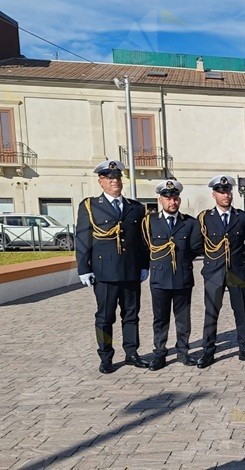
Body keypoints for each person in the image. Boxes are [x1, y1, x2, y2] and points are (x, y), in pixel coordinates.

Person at [75, 160, 149, 374]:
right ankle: (106, 356)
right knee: (105, 317)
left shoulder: (135, 208)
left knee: (131, 315)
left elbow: (141, 241)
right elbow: (82, 239)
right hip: (104, 273)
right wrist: (83, 268)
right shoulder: (90, 206)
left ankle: (132, 353)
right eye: (109, 178)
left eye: (117, 178)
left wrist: (144, 265)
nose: (114, 181)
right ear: (101, 181)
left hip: (131, 271)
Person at [196, 175, 245, 368]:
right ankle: (208, 351)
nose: (225, 195)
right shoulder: (206, 218)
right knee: (211, 312)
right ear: (214, 194)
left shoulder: (242, 217)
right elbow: (199, 244)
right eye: (221, 192)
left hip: (237, 271)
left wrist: (239, 254)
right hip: (214, 272)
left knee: (241, 311)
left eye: (228, 191)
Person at [142, 179, 203, 370]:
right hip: (159, 278)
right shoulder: (150, 222)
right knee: (160, 318)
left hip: (182, 277)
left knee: (183, 318)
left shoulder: (190, 223)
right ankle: (160, 354)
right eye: (168, 198)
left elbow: (195, 248)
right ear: (160, 200)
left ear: (179, 200)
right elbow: (145, 248)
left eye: (175, 198)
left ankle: (183, 352)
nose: (172, 202)